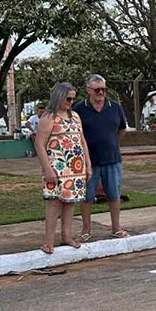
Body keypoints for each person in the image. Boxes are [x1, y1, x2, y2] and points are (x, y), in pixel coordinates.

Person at [34, 82, 91, 254]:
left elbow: (82, 141)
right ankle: (49, 241)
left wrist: (87, 164)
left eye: (73, 99)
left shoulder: (75, 117)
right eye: (68, 98)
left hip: (75, 167)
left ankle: (66, 236)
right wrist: (47, 169)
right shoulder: (48, 118)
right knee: (54, 203)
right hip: (57, 166)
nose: (71, 102)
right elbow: (39, 144)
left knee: (70, 201)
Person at [72, 74, 129, 241]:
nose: (101, 93)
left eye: (103, 89)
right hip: (88, 162)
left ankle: (116, 227)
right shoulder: (79, 110)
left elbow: (122, 129)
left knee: (114, 194)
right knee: (87, 196)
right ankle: (86, 229)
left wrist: (111, 142)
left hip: (112, 158)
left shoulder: (115, 107)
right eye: (97, 90)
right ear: (89, 90)